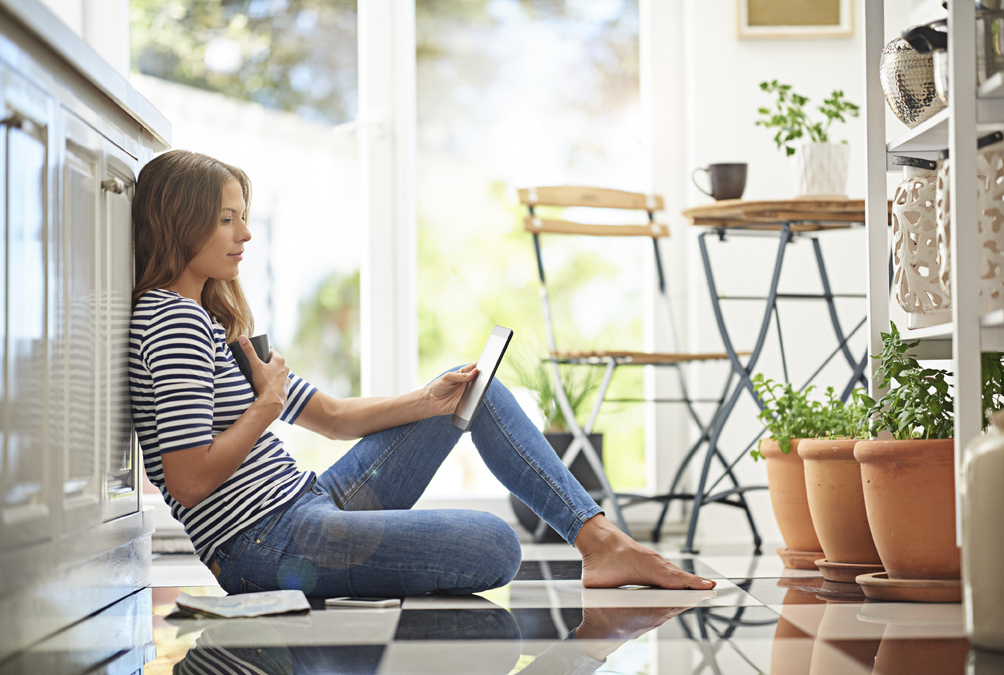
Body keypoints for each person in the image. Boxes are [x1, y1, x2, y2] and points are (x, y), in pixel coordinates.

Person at [129, 149, 717, 598]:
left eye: (244, 217)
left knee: (473, 392)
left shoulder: (207, 318)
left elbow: (332, 418)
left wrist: (428, 400)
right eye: (227, 219)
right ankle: (605, 546)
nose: (246, 234)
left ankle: (604, 544)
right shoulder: (173, 320)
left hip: (306, 504)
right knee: (495, 545)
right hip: (264, 544)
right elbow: (187, 481)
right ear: (182, 221)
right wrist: (264, 408)